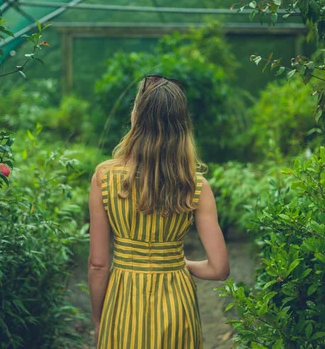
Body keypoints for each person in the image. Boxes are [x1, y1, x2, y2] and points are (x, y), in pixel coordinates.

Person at [88, 75, 230, 349]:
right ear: (181, 126)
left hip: (122, 303)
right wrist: (177, 264)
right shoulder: (196, 185)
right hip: (176, 305)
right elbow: (219, 269)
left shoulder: (104, 178)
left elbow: (98, 264)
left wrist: (98, 318)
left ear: (137, 117)